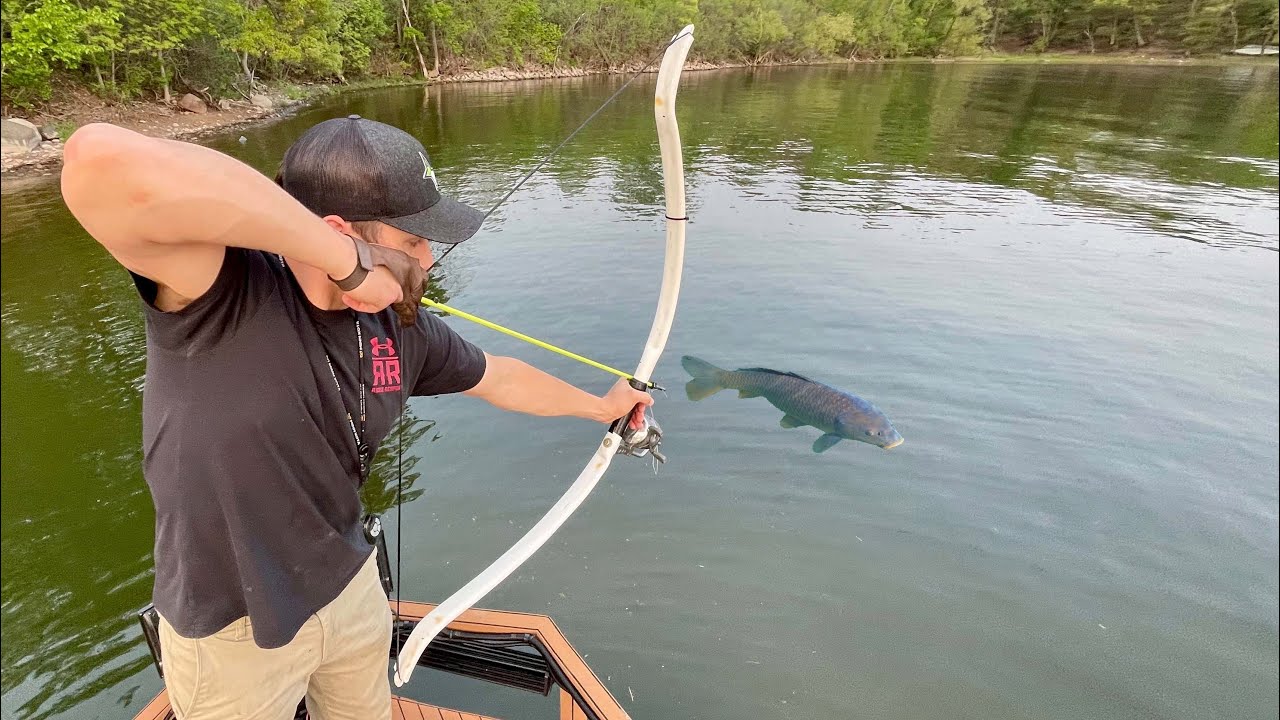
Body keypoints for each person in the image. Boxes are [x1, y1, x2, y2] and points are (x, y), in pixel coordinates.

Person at [59, 115, 652, 720]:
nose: (428, 256)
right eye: (412, 238)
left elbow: (497, 377)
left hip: (349, 590)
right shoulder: (218, 289)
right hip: (230, 631)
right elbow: (96, 161)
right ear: (341, 233)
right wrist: (345, 263)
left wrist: (600, 407)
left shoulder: (397, 327)